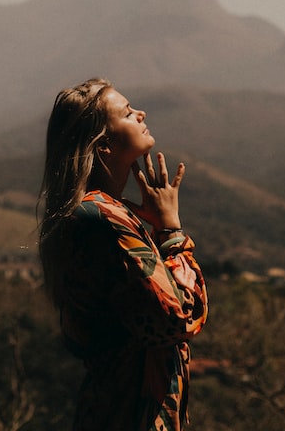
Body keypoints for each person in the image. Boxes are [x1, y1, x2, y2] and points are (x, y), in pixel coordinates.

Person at [38, 78, 209, 431]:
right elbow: (179, 318)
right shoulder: (101, 219)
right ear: (102, 146)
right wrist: (171, 231)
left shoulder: (99, 215)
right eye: (128, 113)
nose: (141, 113)